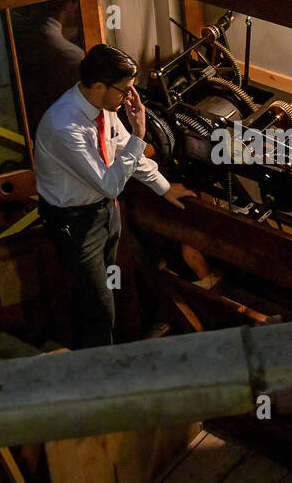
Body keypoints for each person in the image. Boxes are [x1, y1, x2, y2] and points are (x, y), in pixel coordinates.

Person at [33, 44, 194, 348]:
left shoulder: (104, 110)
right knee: (99, 310)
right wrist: (139, 133)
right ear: (98, 86)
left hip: (106, 213)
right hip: (76, 225)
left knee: (105, 291)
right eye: (125, 90)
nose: (130, 99)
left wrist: (163, 186)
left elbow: (124, 152)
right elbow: (110, 182)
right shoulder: (64, 126)